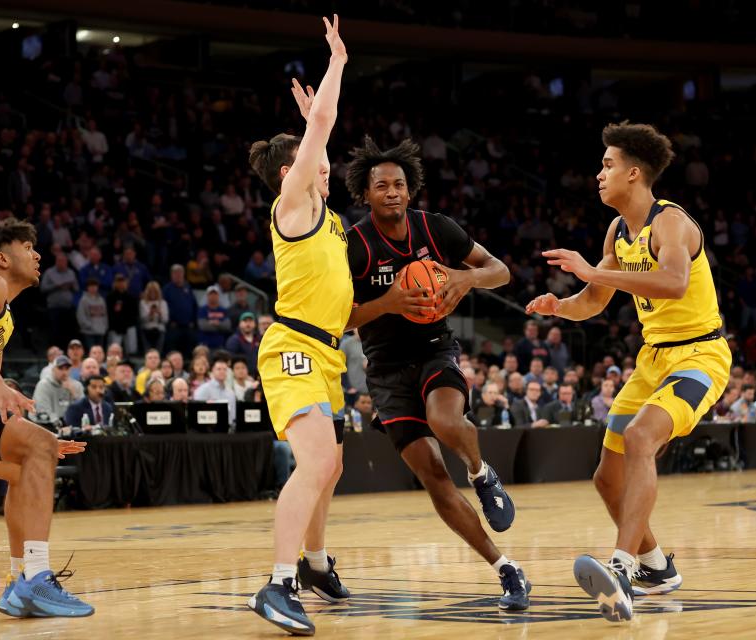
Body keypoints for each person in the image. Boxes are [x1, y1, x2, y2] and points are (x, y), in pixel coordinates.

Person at [527, 122, 731, 621]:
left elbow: (675, 282)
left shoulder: (672, 223)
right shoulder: (618, 231)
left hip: (700, 356)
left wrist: (595, 272)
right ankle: (656, 565)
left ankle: (620, 567)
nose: (599, 174)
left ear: (634, 173)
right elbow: (594, 300)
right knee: (606, 476)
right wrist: (561, 306)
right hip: (652, 361)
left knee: (641, 439)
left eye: (607, 165)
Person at [343, 134, 529, 612]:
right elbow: (336, 317)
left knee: (447, 423)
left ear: (411, 190)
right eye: (381, 185)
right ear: (366, 194)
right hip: (384, 369)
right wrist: (387, 303)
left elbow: (501, 270)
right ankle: (506, 568)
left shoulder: (436, 228)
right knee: (433, 478)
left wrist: (467, 277)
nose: (391, 191)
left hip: (433, 350)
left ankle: (482, 473)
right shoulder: (356, 246)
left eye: (399, 184)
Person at [246, 16, 351, 635]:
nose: (326, 167)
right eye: (314, 160)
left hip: (327, 352)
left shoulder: (327, 216)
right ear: (291, 174)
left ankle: (313, 564)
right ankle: (278, 583)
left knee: (331, 466)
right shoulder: (292, 205)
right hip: (293, 348)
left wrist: (317, 130)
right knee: (314, 464)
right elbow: (321, 132)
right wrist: (336, 65)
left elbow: (321, 142)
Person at [0, 219, 91, 616]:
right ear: (1, 257)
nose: (38, 253)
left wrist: (27, 439)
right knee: (36, 449)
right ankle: (37, 579)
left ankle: (18, 579)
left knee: (22, 465)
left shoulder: (5, 318)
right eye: (28, 246)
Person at [193, 357, 236, 426]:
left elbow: (233, 417)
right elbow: (197, 413)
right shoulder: (203, 389)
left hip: (228, 431)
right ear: (212, 371)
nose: (222, 371)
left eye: (225, 369)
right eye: (219, 369)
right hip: (208, 430)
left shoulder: (231, 393)